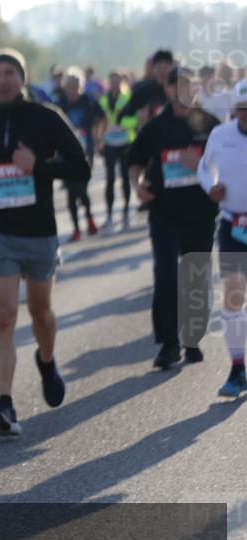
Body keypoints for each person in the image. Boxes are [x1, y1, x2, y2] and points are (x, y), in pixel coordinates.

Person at [0, 49, 90, 436]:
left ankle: (46, 360)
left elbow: (80, 166)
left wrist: (40, 167)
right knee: (2, 316)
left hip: (40, 234)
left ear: (23, 77)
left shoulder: (45, 118)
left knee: (40, 313)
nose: (1, 79)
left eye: (9, 72)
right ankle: (5, 404)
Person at [127, 67, 222, 369]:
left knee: (195, 278)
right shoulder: (155, 127)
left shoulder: (210, 125)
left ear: (196, 88)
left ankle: (192, 339)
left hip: (201, 213)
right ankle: (168, 344)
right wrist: (137, 185)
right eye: (176, 85)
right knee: (165, 276)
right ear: (167, 90)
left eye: (188, 85)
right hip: (164, 212)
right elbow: (135, 161)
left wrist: (200, 166)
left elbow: (229, 170)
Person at [198, 78, 247, 397]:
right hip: (233, 224)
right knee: (233, 295)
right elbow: (205, 169)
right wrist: (211, 187)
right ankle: (237, 369)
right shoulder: (220, 134)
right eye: (242, 109)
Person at [56, 66, 105, 241]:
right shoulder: (61, 103)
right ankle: (77, 228)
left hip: (85, 151)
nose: (72, 89)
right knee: (70, 191)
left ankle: (90, 220)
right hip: (65, 153)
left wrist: (98, 137)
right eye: (69, 86)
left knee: (81, 187)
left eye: (75, 85)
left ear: (81, 86)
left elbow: (102, 117)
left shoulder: (88, 100)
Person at [99, 70, 138, 227]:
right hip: (109, 143)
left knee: (125, 178)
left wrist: (122, 123)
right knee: (109, 179)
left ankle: (126, 210)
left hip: (124, 142)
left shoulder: (128, 97)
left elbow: (135, 120)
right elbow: (99, 120)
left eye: (117, 80)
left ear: (121, 81)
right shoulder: (102, 99)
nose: (114, 83)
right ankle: (109, 214)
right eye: (112, 80)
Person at [120, 49, 174, 124]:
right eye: (159, 67)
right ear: (153, 69)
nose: (163, 71)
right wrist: (136, 120)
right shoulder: (142, 92)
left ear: (173, 68)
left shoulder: (179, 92)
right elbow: (121, 119)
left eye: (166, 67)